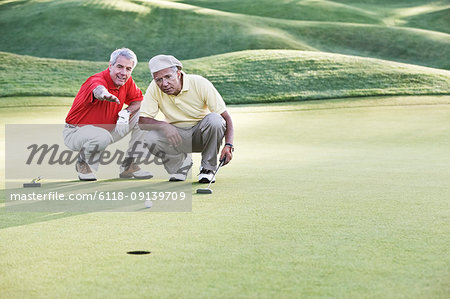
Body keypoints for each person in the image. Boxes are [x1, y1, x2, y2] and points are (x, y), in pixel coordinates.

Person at [139, 54, 234, 183]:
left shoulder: (199, 83)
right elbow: (142, 121)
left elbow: (226, 118)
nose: (164, 83)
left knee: (215, 120)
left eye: (168, 77)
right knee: (150, 138)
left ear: (178, 73)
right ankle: (180, 167)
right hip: (176, 137)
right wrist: (164, 125)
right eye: (158, 79)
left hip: (201, 134)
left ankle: (207, 168)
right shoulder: (154, 88)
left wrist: (228, 145)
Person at [63, 48, 152, 181]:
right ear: (110, 66)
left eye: (128, 69)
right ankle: (82, 163)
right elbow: (98, 89)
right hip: (76, 133)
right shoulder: (96, 80)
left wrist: (126, 113)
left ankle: (129, 165)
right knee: (102, 136)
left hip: (109, 130)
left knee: (145, 116)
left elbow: (138, 100)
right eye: (120, 67)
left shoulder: (127, 81)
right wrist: (105, 95)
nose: (123, 73)